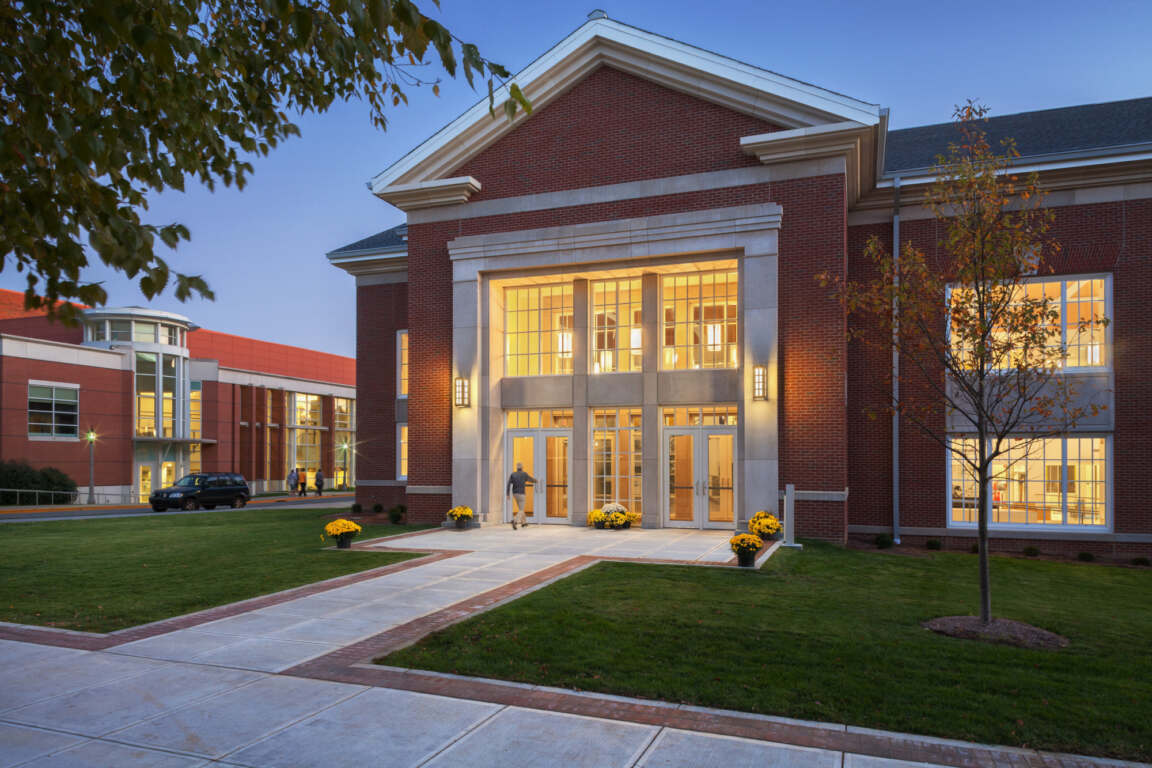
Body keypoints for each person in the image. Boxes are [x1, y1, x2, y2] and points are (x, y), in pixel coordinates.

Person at [505, 462, 536, 530]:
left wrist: (507, 494)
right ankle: (515, 521)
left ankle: (523, 523)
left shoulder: (513, 474)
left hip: (515, 494)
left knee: (520, 509)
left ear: (517, 468)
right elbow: (530, 479)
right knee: (521, 510)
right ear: (522, 467)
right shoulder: (524, 474)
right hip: (521, 494)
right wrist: (536, 481)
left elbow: (508, 484)